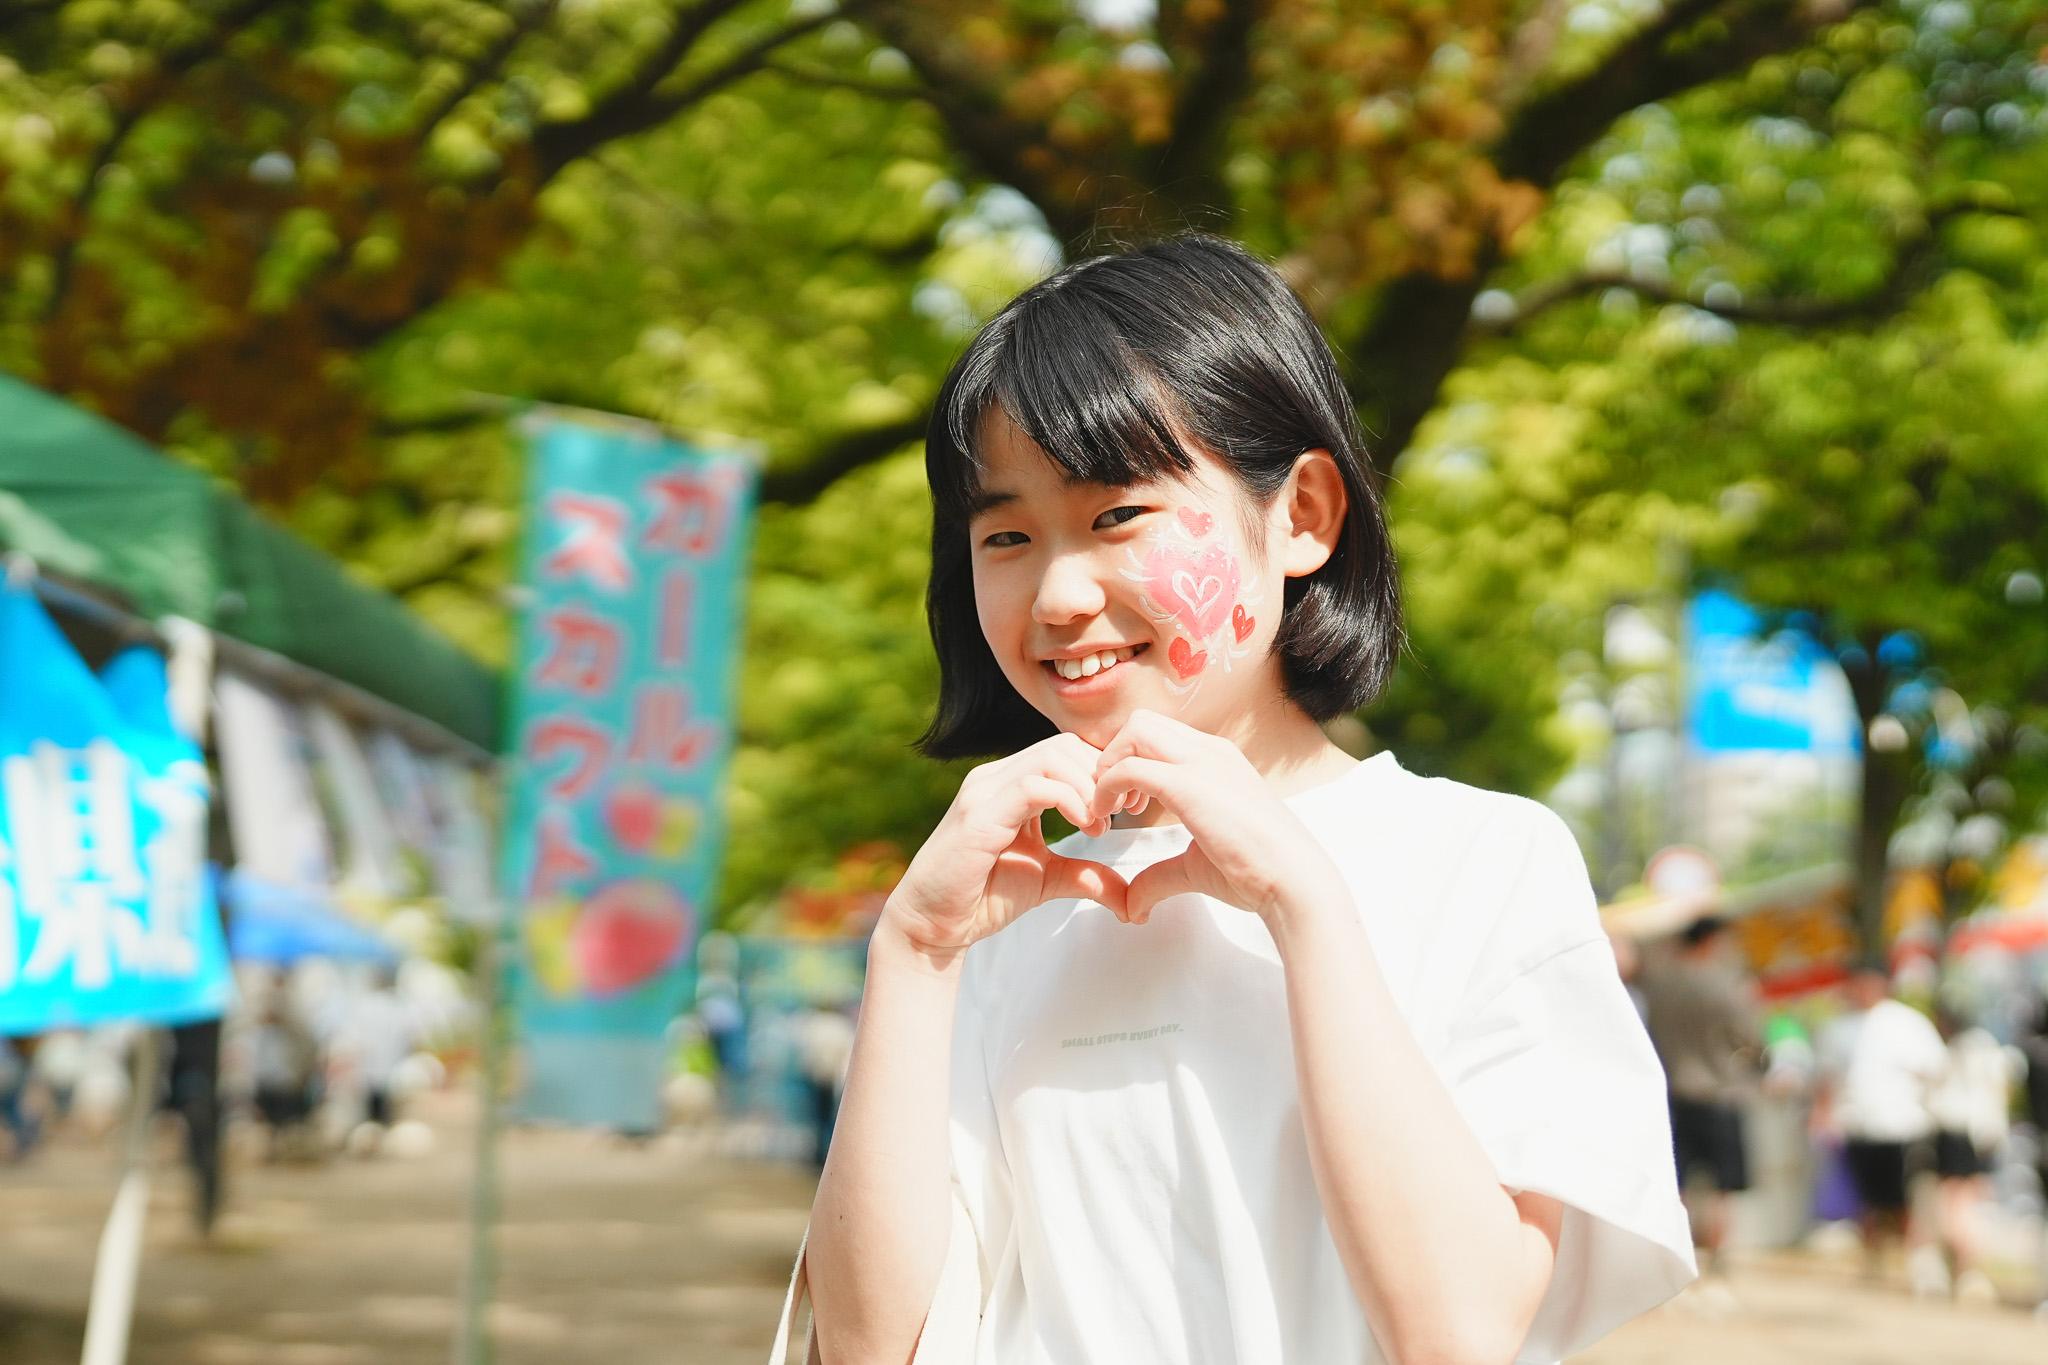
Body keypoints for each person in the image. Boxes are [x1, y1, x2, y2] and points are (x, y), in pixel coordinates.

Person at [795, 235, 1695, 1364]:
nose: (1059, 593)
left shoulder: (1481, 861)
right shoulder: (990, 900)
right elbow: (865, 1347)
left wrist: (1301, 905)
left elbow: (1457, 1332)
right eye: (1006, 535)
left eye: (1117, 515)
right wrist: (913, 953)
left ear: (1302, 514)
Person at [1639, 915, 1762, 1280]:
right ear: (1710, 941)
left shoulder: (1659, 984)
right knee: (1724, 1183)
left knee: (1677, 1178)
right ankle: (1718, 1253)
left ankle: (1679, 1251)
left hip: (1672, 1091)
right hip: (1720, 1091)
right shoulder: (1724, 984)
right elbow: (1748, 1036)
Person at [1812, 967, 1947, 1286]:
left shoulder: (1907, 1023)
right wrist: (1824, 1115)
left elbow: (1935, 1069)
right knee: (1865, 1200)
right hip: (1858, 1125)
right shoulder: (1838, 1026)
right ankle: (1874, 1262)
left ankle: (1921, 1264)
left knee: (1908, 1199)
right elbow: (1826, 1078)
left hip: (1902, 1125)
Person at [1927, 1000, 2013, 1302]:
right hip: (1977, 1132)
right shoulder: (1983, 1047)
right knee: (1965, 1200)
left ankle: (1964, 1266)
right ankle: (1965, 1267)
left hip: (1961, 1132)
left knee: (1956, 1200)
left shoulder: (1965, 1049)